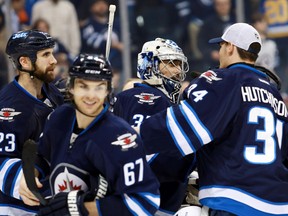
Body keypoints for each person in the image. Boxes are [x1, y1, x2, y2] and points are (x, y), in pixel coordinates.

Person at [139, 23, 288, 216]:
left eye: (220, 46)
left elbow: (184, 125)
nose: (219, 52)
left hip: (236, 201)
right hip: (280, 204)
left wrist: (135, 138)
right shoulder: (273, 93)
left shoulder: (223, 80)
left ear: (230, 47)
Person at [19, 53, 160, 215]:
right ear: (71, 88)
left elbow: (145, 201)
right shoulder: (60, 117)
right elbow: (43, 155)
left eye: (98, 87)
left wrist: (81, 207)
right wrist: (28, 177)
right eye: (83, 86)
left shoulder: (120, 137)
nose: (91, 96)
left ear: (108, 91)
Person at [113, 38, 196, 215]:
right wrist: (187, 167)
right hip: (151, 201)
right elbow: (149, 154)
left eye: (180, 64)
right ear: (149, 65)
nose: (178, 71)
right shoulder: (150, 98)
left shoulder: (125, 97)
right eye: (170, 64)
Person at [0, 29, 64, 215]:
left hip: (50, 199)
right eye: (46, 55)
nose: (54, 60)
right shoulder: (8, 109)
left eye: (51, 53)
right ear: (25, 62)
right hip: (16, 208)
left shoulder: (53, 93)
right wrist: (22, 181)